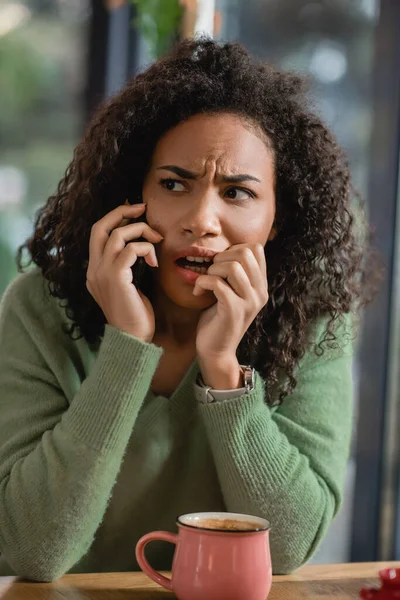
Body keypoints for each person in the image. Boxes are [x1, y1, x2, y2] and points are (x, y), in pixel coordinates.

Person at [0, 38, 376, 582]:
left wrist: (224, 370)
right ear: (134, 194)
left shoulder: (313, 319)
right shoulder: (40, 308)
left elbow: (289, 545)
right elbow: (31, 550)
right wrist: (127, 345)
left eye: (237, 193)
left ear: (278, 217)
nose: (202, 219)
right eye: (174, 184)